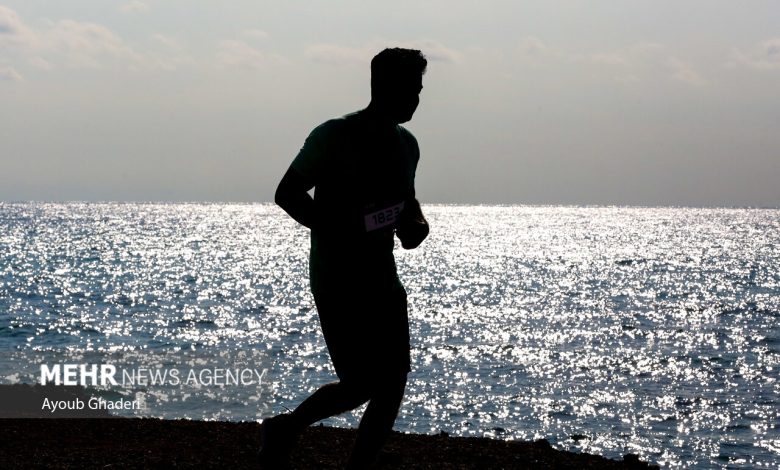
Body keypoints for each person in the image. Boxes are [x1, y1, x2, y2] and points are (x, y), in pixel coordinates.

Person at [263, 47, 429, 469]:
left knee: (391, 384)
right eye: (412, 88)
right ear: (385, 87)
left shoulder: (408, 146)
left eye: (420, 88)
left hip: (383, 282)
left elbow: (409, 204)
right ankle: (288, 427)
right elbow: (287, 193)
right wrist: (338, 227)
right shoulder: (334, 136)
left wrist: (417, 226)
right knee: (359, 385)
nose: (417, 97)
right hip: (338, 280)